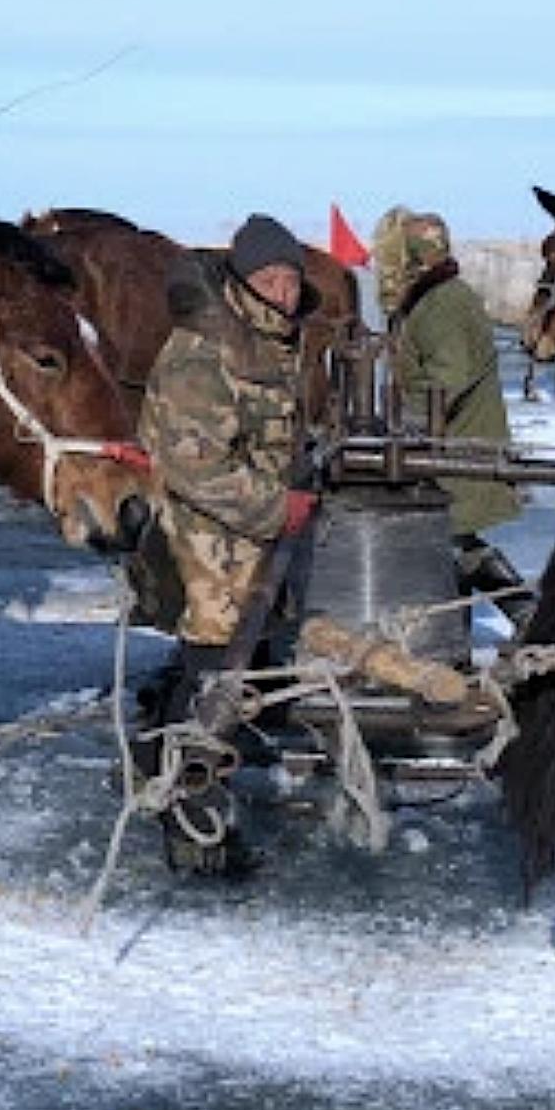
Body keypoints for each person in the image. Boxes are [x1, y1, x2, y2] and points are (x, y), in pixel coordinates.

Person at [134, 213, 318, 869]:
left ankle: (172, 760)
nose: (283, 291)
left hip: (247, 541)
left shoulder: (268, 344)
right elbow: (194, 463)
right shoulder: (202, 352)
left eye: (290, 278)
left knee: (224, 669)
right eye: (269, 278)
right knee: (213, 674)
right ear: (241, 283)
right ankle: (194, 826)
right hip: (206, 544)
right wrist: (279, 507)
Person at [371, 206, 535, 627]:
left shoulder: (443, 304)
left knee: (450, 541)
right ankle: (509, 621)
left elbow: (450, 375)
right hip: (452, 442)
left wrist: (403, 424)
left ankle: (522, 618)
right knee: (454, 545)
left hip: (459, 448)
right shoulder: (437, 298)